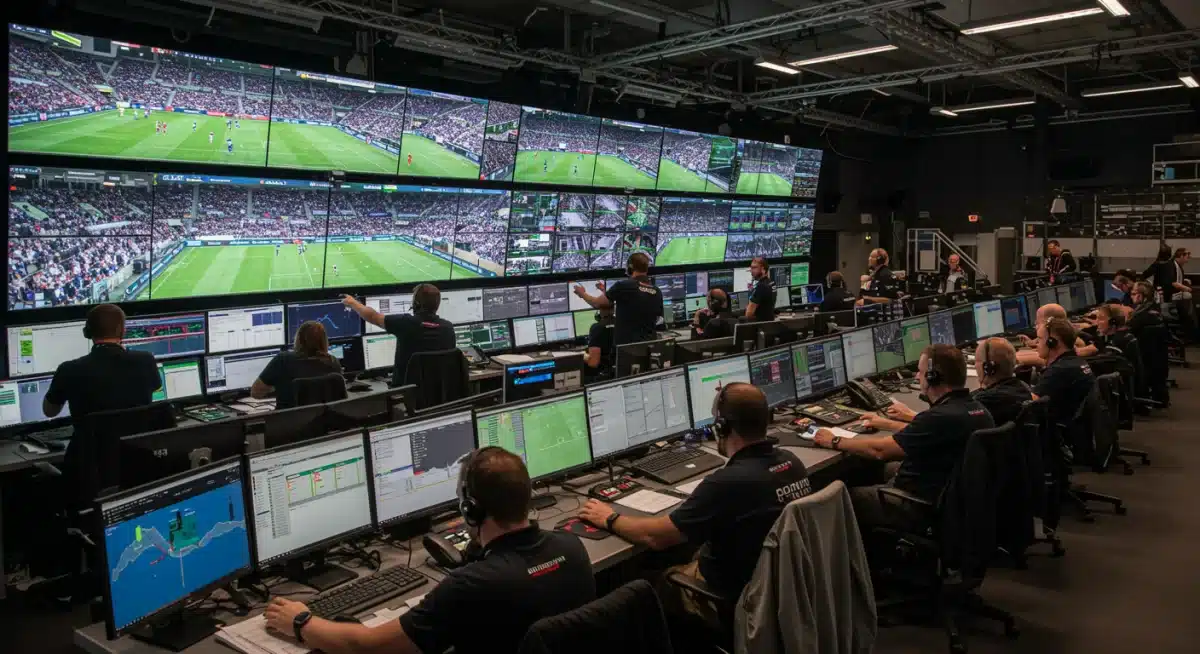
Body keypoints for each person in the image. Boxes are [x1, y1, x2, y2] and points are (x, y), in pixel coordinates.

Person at [266, 447, 595, 654]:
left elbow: (367, 645)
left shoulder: (471, 585)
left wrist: (302, 622)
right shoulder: (574, 547)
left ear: (470, 511)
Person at [578, 383, 811, 609]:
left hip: (738, 598)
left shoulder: (726, 482)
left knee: (644, 585)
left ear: (722, 427)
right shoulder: (793, 462)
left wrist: (609, 518)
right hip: (780, 588)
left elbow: (655, 537)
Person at [811, 345, 993, 531]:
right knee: (879, 470)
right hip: (956, 500)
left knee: (846, 498)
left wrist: (834, 440)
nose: (916, 377)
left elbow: (879, 451)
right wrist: (889, 424)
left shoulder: (938, 417)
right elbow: (931, 433)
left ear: (933, 377)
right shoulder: (978, 410)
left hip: (923, 505)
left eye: (920, 372)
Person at [42, 304, 161, 425]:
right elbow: (154, 388)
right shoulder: (146, 360)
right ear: (123, 331)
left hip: (89, 443)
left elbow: (49, 412)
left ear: (87, 332)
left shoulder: (68, 369)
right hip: (136, 442)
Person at [342, 284, 455, 387]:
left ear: (416, 304)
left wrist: (353, 302)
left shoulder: (406, 323)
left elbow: (373, 317)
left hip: (407, 396)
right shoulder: (448, 328)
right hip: (440, 399)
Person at [573, 252, 662, 345]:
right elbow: (654, 316)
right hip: (650, 348)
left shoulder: (623, 286)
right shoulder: (657, 291)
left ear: (630, 267)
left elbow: (597, 303)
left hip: (628, 350)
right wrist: (604, 290)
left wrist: (582, 293)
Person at [252, 321, 343, 410]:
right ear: (325, 341)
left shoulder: (283, 359)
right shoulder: (333, 362)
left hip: (289, 421)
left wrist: (279, 388)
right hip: (323, 422)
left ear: (298, 339)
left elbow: (255, 393)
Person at [1032, 317, 1094, 427]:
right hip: (1081, 431)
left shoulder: (1059, 371)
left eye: (1040, 339)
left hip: (1062, 434)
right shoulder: (1077, 362)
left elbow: (1030, 404)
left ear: (1052, 342)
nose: (1036, 343)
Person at [972, 338, 1032, 426]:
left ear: (988, 368)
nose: (975, 365)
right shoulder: (1023, 387)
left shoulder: (985, 401)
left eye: (977, 361)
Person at [583, 306, 615, 376]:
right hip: (619, 370)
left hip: (602, 374)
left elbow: (593, 363)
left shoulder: (597, 328)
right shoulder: (622, 324)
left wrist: (581, 355)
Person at [744, 257, 777, 322]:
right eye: (751, 268)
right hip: (769, 323)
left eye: (754, 268)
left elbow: (748, 314)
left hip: (759, 325)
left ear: (762, 269)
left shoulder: (761, 286)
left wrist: (748, 307)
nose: (751, 270)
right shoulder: (772, 282)